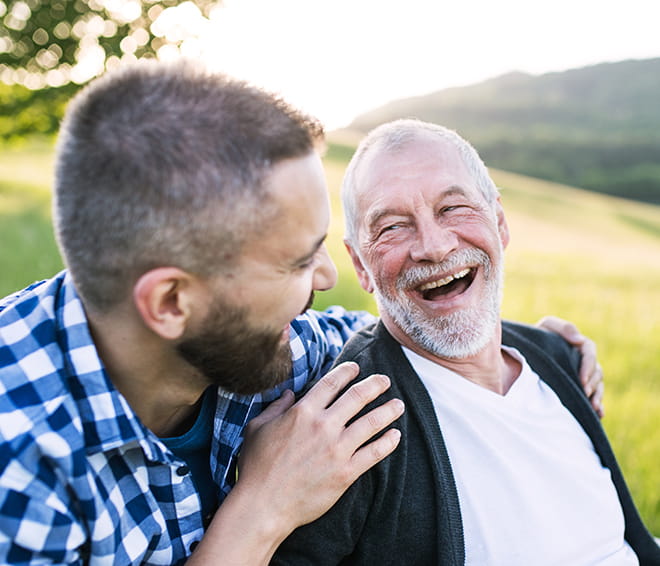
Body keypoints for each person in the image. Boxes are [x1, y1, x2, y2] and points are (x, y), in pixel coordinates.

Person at [0, 61, 603, 565]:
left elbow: (400, 323)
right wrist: (262, 509)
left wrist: (539, 348)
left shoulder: (275, 349)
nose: (328, 280)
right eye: (296, 262)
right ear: (171, 303)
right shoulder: (23, 465)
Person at [271, 120, 660, 565]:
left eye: (452, 208)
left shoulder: (559, 360)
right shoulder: (352, 427)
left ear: (499, 222)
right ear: (360, 266)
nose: (434, 247)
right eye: (394, 227)